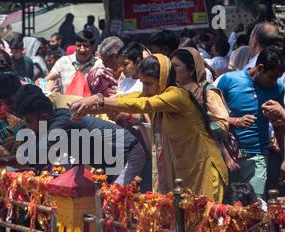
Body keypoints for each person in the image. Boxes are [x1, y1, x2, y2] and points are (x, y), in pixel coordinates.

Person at [70, 54, 228, 201]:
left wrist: (98, 99)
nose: (145, 89)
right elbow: (127, 99)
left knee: (207, 225)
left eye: (148, 83)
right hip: (184, 171)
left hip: (205, 168)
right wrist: (88, 108)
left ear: (163, 79)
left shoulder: (177, 96)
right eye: (142, 83)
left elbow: (142, 104)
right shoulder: (153, 93)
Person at [15, 84, 145, 185]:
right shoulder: (50, 124)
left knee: (113, 201)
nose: (28, 127)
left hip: (129, 153)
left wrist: (9, 160)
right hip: (109, 163)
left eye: (29, 122)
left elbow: (37, 156)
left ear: (43, 117)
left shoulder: (61, 123)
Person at [215, 46, 285, 199]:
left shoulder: (277, 88)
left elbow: (278, 126)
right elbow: (211, 117)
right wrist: (235, 121)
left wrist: (284, 156)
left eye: (278, 78)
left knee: (255, 206)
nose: (274, 82)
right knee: (228, 207)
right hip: (228, 157)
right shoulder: (229, 81)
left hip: (258, 158)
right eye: (272, 77)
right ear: (260, 68)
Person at [170, 47, 229, 140]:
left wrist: (195, 129)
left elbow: (222, 124)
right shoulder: (173, 91)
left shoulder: (207, 92)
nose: (171, 70)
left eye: (176, 66)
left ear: (192, 69)